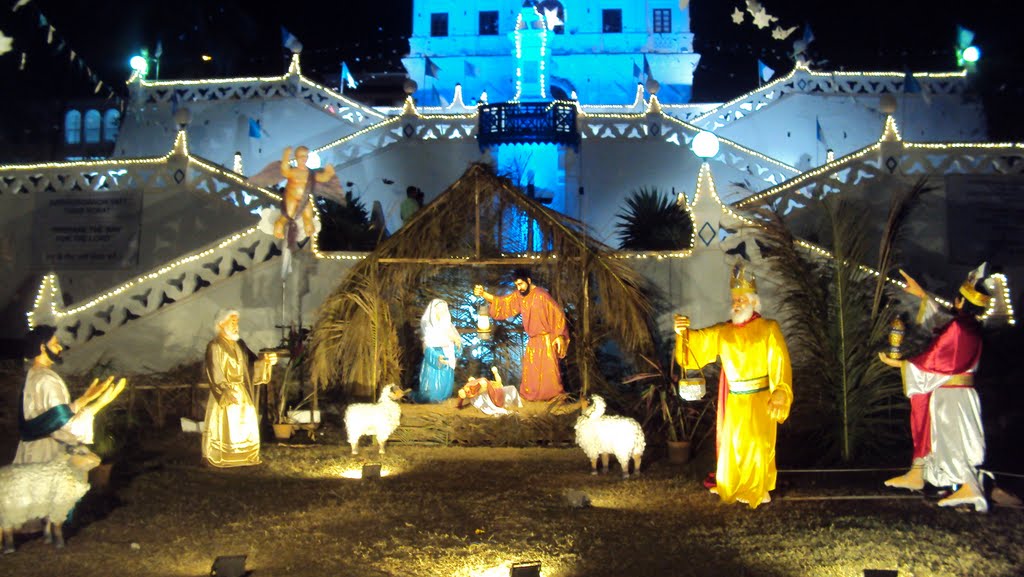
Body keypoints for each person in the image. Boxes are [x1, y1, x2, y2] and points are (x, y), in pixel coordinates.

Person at [673, 264, 793, 508]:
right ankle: (736, 483)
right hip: (736, 400)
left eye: (741, 299)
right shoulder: (723, 332)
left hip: (761, 399)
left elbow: (781, 364)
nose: (736, 303)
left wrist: (780, 390)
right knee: (735, 445)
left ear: (753, 301)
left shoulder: (769, 329)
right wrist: (682, 332)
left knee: (759, 445)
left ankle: (759, 489)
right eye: (734, 299)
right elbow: (693, 349)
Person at [879, 265, 992, 512]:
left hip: (952, 396)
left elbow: (934, 358)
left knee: (952, 440)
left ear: (960, 301)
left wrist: (900, 363)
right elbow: (942, 319)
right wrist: (922, 295)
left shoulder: (960, 328)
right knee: (947, 439)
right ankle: (922, 474)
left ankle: (970, 488)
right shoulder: (969, 326)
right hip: (957, 393)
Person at [15, 325, 126, 464]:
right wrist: (100, 403)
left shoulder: (34, 375)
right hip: (46, 455)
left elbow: (54, 417)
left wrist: (85, 398)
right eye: (55, 344)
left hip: (34, 450)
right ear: (43, 347)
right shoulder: (46, 379)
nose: (60, 348)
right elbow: (67, 426)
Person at [474, 269, 570, 401]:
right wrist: (484, 294)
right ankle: (533, 398)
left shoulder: (542, 295)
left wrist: (559, 335)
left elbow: (557, 314)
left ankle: (554, 397)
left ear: (529, 281)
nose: (519, 288)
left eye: (521, 284)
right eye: (517, 285)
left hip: (547, 340)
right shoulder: (520, 296)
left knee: (550, 373)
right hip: (533, 340)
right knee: (531, 371)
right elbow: (503, 302)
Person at [202, 310, 277, 468]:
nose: (236, 326)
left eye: (237, 322)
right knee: (226, 425)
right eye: (232, 322)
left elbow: (249, 368)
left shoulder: (239, 345)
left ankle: (245, 455)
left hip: (242, 392)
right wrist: (224, 390)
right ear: (221, 324)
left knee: (245, 424)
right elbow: (214, 370)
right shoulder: (214, 346)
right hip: (225, 393)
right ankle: (224, 455)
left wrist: (266, 362)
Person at [275, 145, 335, 247]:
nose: (304, 158)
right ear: (297, 157)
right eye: (301, 156)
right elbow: (284, 170)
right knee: (288, 214)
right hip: (291, 198)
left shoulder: (310, 173)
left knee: (308, 215)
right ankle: (279, 226)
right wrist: (286, 156)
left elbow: (321, 178)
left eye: (305, 156)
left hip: (304, 199)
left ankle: (309, 231)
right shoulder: (293, 171)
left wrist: (329, 173)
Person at [414, 299, 462, 403]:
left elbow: (456, 346)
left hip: (447, 358)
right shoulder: (429, 326)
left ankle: (442, 398)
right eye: (439, 309)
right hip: (434, 360)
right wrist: (436, 357)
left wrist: (457, 344)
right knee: (432, 389)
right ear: (434, 310)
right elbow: (427, 345)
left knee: (445, 385)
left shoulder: (448, 327)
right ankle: (430, 399)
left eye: (444, 309)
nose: (442, 311)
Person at [455, 367, 523, 416]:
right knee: (511, 389)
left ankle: (517, 404)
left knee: (511, 388)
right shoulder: (479, 384)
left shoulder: (486, 383)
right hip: (487, 393)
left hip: (489, 389)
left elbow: (497, 384)